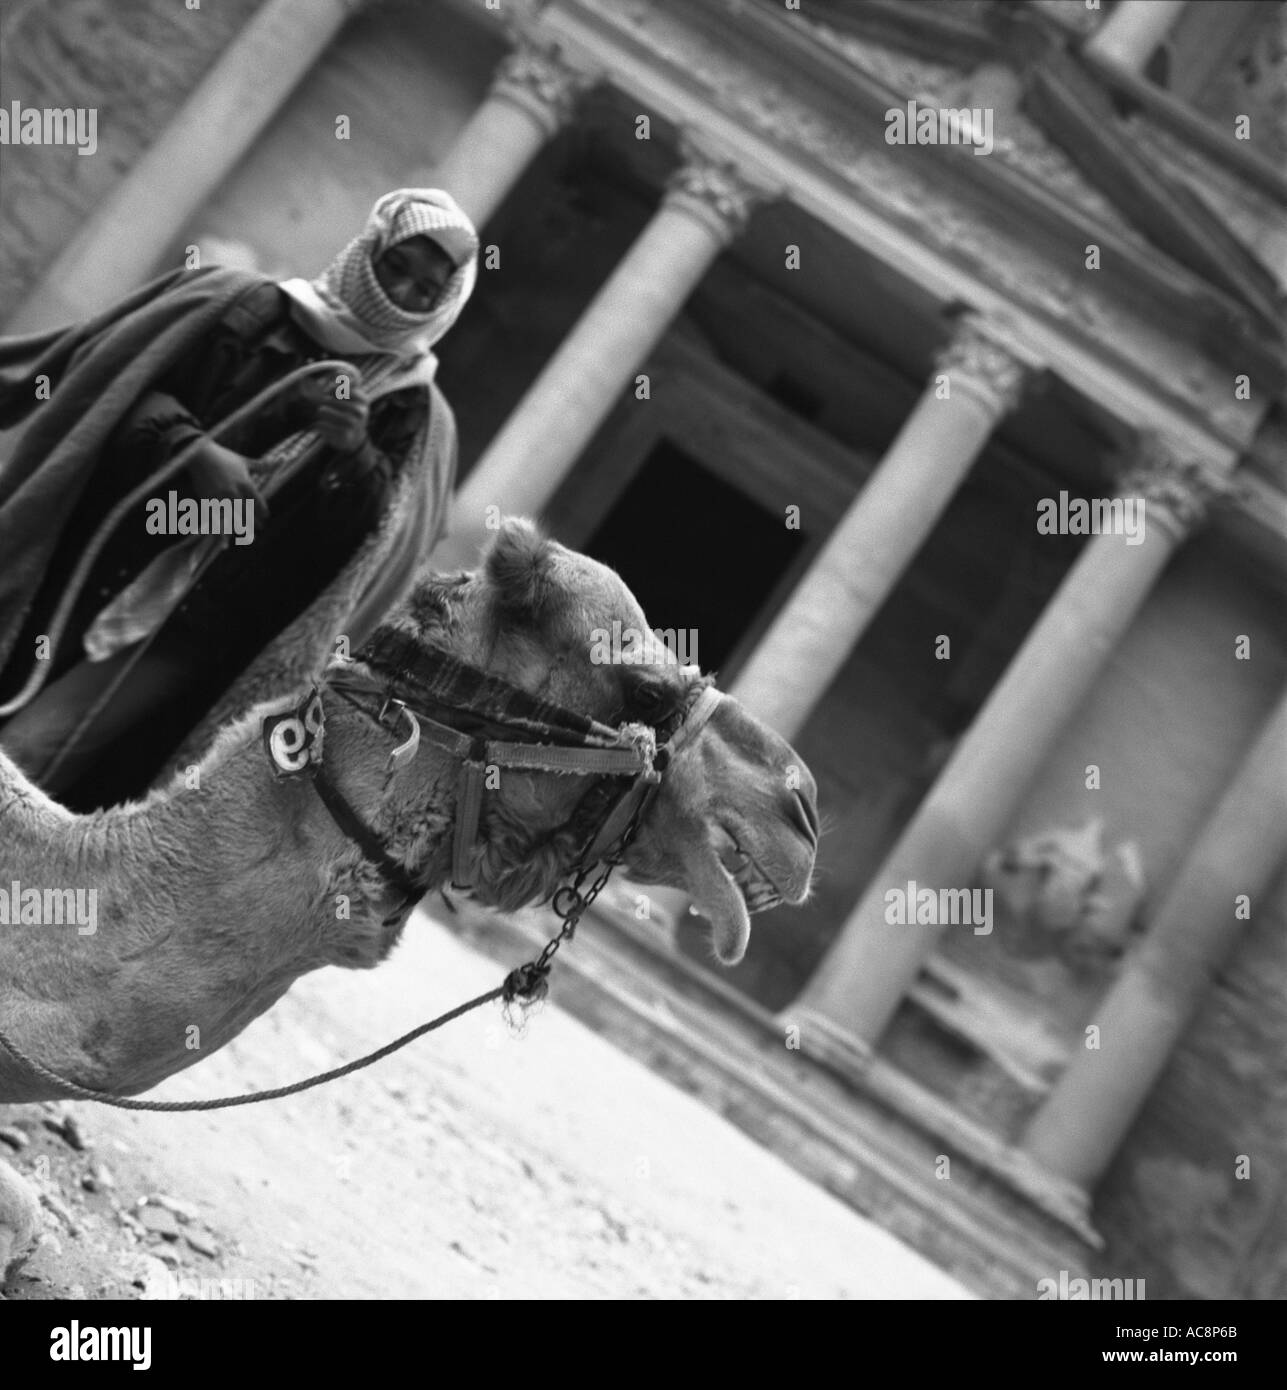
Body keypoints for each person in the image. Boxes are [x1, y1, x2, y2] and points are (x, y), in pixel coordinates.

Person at [0, 188, 478, 807]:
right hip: (95, 557)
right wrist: (196, 453)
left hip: (196, 629)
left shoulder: (417, 415)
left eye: (427, 288)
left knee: (33, 752)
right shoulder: (247, 307)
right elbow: (128, 388)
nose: (405, 293)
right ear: (369, 253)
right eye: (398, 267)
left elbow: (367, 553)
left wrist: (352, 453)